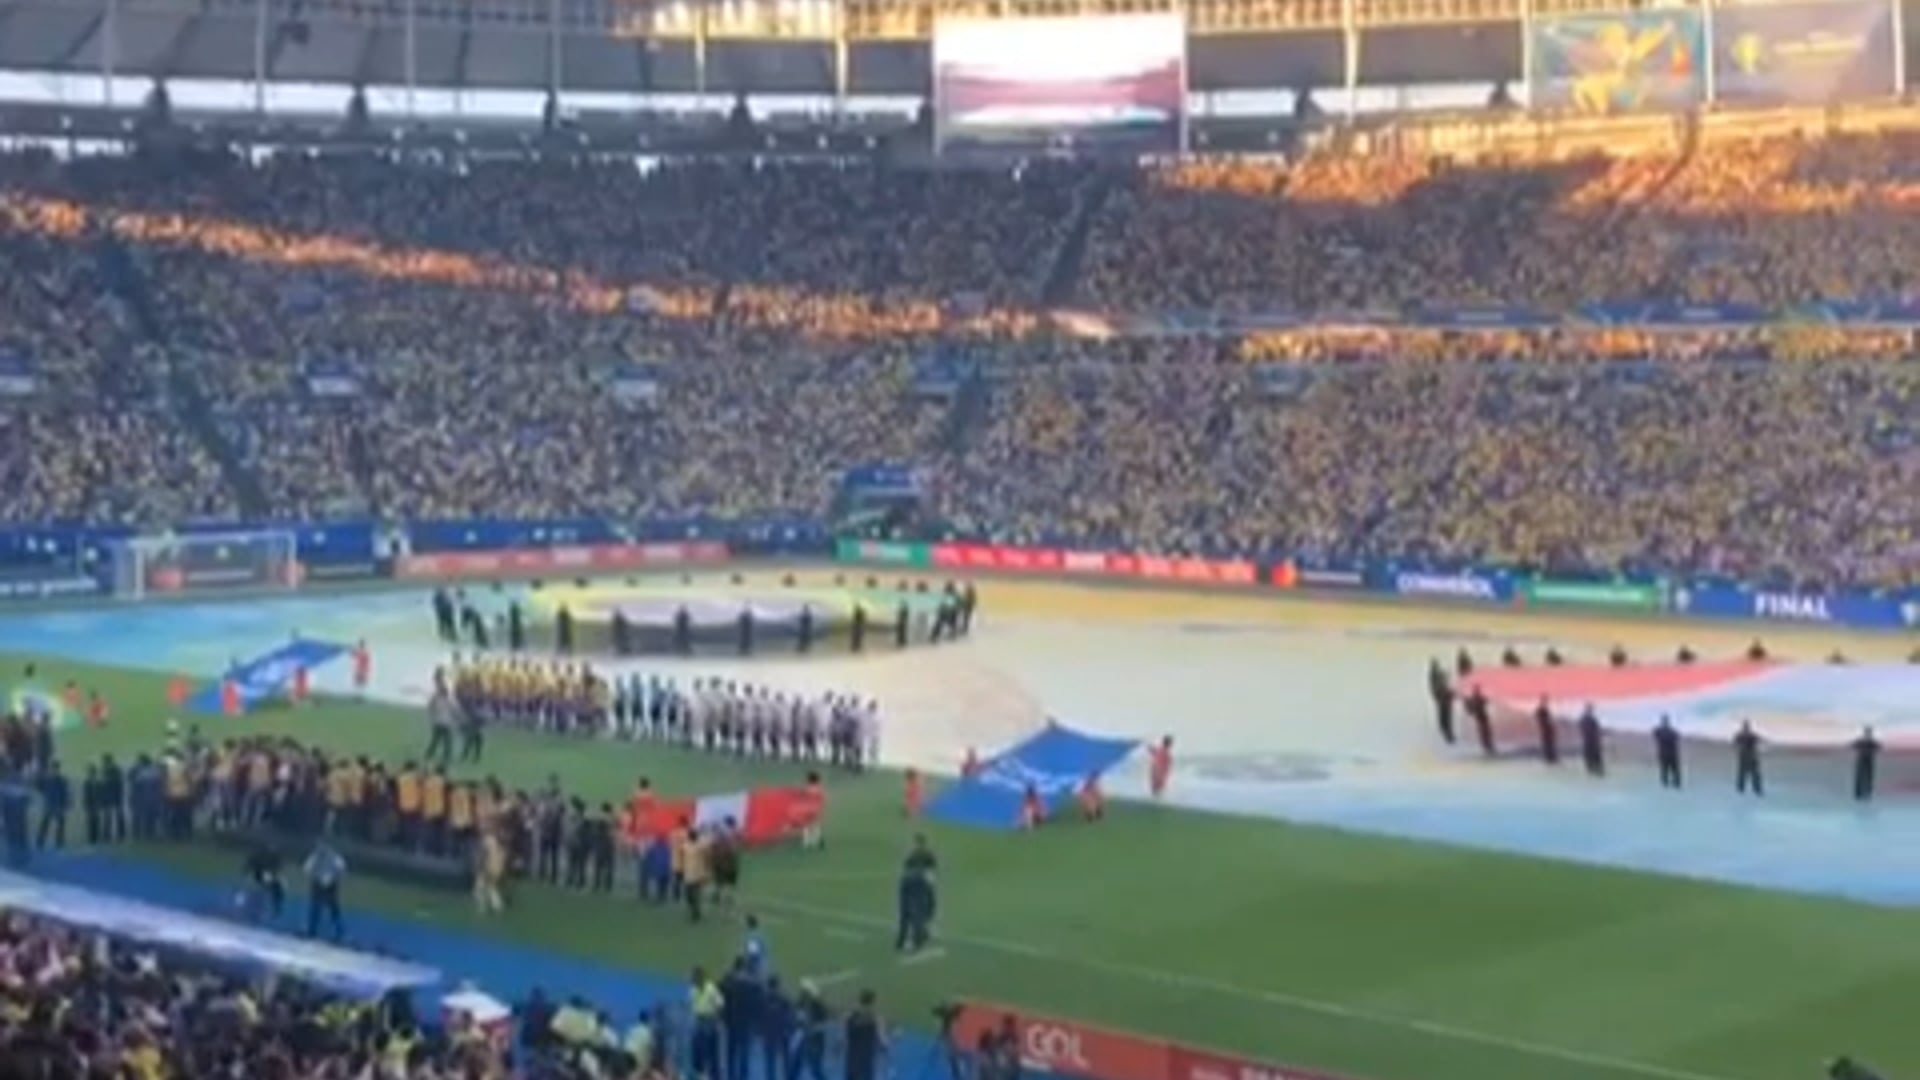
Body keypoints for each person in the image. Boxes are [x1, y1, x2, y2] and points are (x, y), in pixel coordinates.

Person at [896, 834, 937, 952]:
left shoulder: (911, 854)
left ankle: (901, 940)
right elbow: (932, 870)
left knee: (905, 912)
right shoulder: (928, 854)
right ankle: (917, 939)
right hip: (919, 882)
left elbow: (905, 867)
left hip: (906, 881)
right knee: (920, 911)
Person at [304, 839, 348, 941]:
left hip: (330, 886)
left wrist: (331, 878)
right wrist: (316, 876)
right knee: (315, 907)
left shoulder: (335, 858)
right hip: (318, 884)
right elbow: (307, 868)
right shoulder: (315, 857)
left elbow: (342, 870)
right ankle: (312, 929)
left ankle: (339, 932)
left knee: (333, 909)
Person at [689, 965, 724, 1080]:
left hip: (709, 1022)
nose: (692, 980)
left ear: (700, 977)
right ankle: (699, 1075)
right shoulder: (692, 990)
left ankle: (713, 1076)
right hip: (698, 1022)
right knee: (697, 1051)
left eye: (694, 977)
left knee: (711, 1053)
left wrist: (716, 1019)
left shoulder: (711, 988)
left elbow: (720, 1004)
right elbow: (692, 1007)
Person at [842, 989, 885, 1080]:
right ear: (873, 1002)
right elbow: (882, 1039)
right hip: (866, 1059)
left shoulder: (849, 1016)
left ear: (860, 1000)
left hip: (852, 1059)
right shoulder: (875, 1018)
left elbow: (844, 1037)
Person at [1733, 720, 1764, 797]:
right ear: (1749, 727)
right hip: (1751, 756)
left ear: (1743, 727)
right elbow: (1760, 740)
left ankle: (1741, 789)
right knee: (1755, 774)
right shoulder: (1752, 735)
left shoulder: (1739, 735)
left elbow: (1735, 745)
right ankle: (1757, 790)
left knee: (1742, 774)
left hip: (1743, 756)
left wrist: (1738, 749)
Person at [1851, 726, 1880, 802]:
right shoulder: (1861, 741)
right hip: (1861, 760)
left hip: (1868, 761)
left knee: (1868, 777)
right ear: (1865, 733)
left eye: (1869, 732)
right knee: (1860, 777)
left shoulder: (1872, 742)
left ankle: (1867, 793)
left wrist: (1870, 751)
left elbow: (1878, 747)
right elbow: (1853, 746)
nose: (1868, 734)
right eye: (1867, 732)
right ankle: (1858, 794)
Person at [1654, 714, 1682, 789]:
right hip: (1672, 753)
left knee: (1665, 768)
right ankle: (1676, 783)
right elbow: (1677, 737)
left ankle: (1666, 783)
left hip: (1664, 753)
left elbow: (1656, 736)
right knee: (1673, 769)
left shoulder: (1658, 731)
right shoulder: (1672, 731)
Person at [1577, 704, 1604, 778]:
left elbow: (1581, 728)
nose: (1591, 710)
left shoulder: (1584, 718)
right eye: (1590, 709)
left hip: (1588, 739)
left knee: (1590, 754)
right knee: (1594, 754)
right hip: (1591, 739)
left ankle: (1591, 768)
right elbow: (1596, 729)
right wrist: (1597, 737)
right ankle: (1596, 769)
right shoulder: (1591, 719)